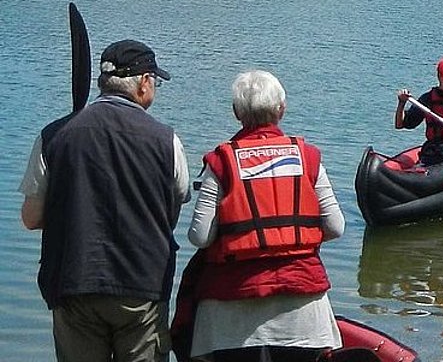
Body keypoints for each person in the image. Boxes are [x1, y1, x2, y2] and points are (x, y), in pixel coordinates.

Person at [19, 39, 191, 362]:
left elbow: (30, 218)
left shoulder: (54, 136)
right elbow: (172, 209)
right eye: (155, 81)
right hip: (143, 286)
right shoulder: (167, 140)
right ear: (143, 83)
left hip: (73, 282)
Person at [186, 70, 345, 362]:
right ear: (281, 109)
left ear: (236, 113)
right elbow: (336, 227)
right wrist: (291, 235)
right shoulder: (307, 157)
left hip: (232, 309)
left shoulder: (221, 162)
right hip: (302, 306)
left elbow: (200, 236)